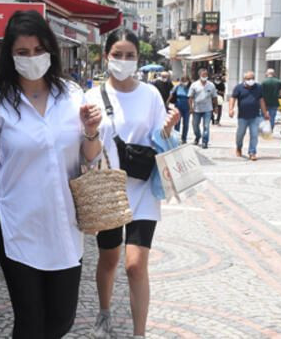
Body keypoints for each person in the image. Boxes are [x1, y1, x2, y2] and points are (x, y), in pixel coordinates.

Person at [0, 11, 103, 339]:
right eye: (22, 52)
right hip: (17, 230)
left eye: (38, 50)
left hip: (64, 227)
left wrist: (91, 132)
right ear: (10, 56)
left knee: (61, 321)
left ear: (51, 51)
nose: (32, 59)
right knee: (30, 324)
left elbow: (91, 159)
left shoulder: (71, 96)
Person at [85, 29, 179, 339]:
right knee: (109, 259)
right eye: (118, 55)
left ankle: (139, 334)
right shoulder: (92, 96)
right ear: (106, 56)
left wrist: (168, 129)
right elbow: (86, 150)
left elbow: (159, 141)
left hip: (142, 189)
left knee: (135, 265)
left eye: (130, 55)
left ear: (138, 59)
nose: (124, 61)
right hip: (108, 189)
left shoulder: (150, 94)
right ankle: (105, 311)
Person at [229, 71, 270, 161]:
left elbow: (261, 100)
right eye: (248, 79)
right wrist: (231, 109)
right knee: (240, 134)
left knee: (254, 135)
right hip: (242, 116)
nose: (251, 80)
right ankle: (239, 147)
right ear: (244, 79)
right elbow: (233, 98)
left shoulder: (258, 87)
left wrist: (265, 112)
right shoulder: (238, 87)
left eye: (252, 78)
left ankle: (252, 152)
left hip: (255, 116)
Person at [188, 68, 217, 149]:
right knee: (195, 125)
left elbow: (214, 97)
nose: (205, 76)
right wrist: (190, 107)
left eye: (206, 75)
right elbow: (190, 97)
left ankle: (205, 142)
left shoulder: (211, 85)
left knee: (206, 126)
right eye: (203, 75)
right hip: (197, 109)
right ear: (199, 75)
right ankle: (197, 136)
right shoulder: (194, 85)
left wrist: (216, 107)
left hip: (208, 109)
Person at [168, 76, 191, 143]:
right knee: (177, 123)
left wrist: (192, 108)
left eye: (186, 80)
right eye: (183, 80)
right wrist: (167, 102)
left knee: (186, 123)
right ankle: (176, 138)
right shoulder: (177, 86)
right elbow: (171, 94)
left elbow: (191, 98)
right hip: (178, 106)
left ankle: (184, 138)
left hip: (187, 107)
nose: (184, 82)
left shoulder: (190, 87)